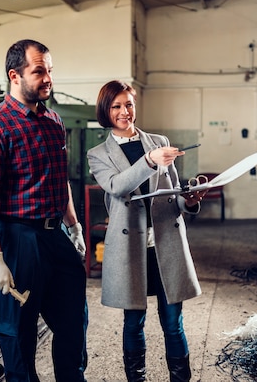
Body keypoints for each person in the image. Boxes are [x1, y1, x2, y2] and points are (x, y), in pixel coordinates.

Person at [0, 39, 88, 382]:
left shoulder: (53, 121)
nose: (48, 77)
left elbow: (59, 177)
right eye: (39, 71)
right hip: (18, 240)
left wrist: (74, 225)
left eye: (50, 70)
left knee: (73, 323)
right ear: (15, 75)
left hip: (55, 236)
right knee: (19, 335)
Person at [86, 80, 205, 382]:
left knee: (173, 323)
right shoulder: (98, 154)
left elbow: (174, 192)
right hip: (129, 249)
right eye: (117, 106)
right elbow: (116, 186)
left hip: (165, 242)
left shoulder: (158, 141)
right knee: (133, 322)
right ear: (106, 111)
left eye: (129, 104)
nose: (125, 111)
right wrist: (149, 161)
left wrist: (188, 199)